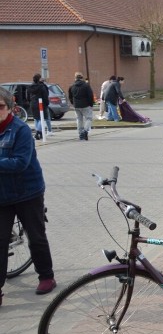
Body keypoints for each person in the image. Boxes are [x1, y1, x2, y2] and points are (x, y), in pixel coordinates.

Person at [0, 87, 56, 305]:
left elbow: (20, 162)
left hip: (27, 192)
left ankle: (46, 276)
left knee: (36, 236)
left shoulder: (20, 129)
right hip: (2, 196)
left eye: (0, 107)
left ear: (10, 108)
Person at [68, 71, 95, 140]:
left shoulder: (72, 86)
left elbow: (70, 96)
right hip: (86, 104)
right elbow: (90, 95)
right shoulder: (86, 85)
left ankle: (80, 132)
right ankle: (85, 131)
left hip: (76, 105)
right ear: (82, 78)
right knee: (88, 118)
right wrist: (91, 104)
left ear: (75, 78)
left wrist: (73, 103)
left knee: (79, 119)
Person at [27, 74, 51, 139]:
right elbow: (45, 96)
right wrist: (47, 103)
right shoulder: (42, 87)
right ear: (39, 79)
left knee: (36, 118)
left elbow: (27, 96)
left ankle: (38, 132)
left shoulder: (30, 87)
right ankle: (38, 132)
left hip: (33, 104)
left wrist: (30, 102)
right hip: (41, 104)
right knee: (41, 118)